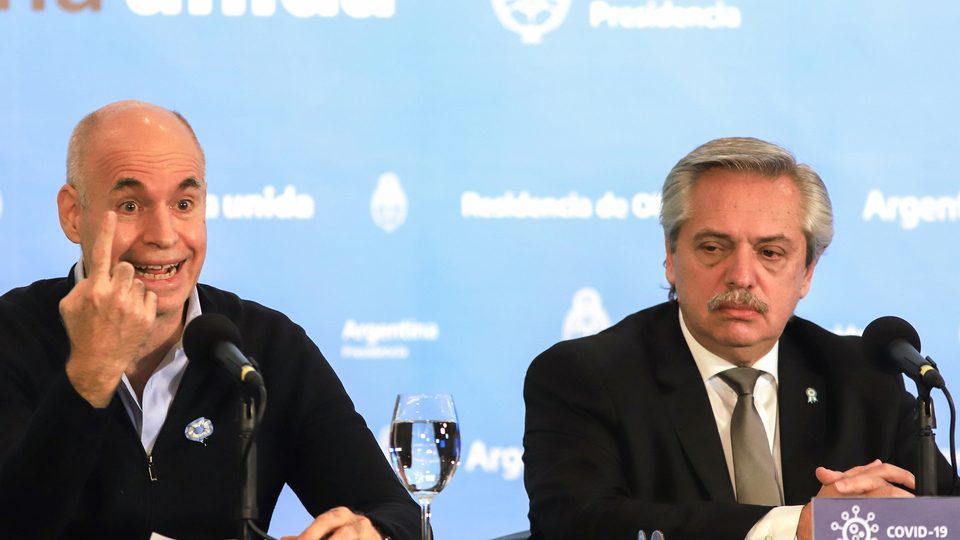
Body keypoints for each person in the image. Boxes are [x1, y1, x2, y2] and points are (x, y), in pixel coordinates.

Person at [0, 100, 419, 539]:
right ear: (73, 214)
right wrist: (90, 373)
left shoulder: (266, 346)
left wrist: (372, 532)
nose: (164, 235)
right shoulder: (11, 336)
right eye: (130, 206)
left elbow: (396, 512)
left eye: (183, 203)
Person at [522, 137, 957, 540]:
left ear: (807, 272)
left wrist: (900, 520)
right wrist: (798, 528)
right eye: (714, 247)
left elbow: (948, 518)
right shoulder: (586, 376)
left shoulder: (862, 376)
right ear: (671, 256)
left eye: (770, 253)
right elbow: (575, 522)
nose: (742, 276)